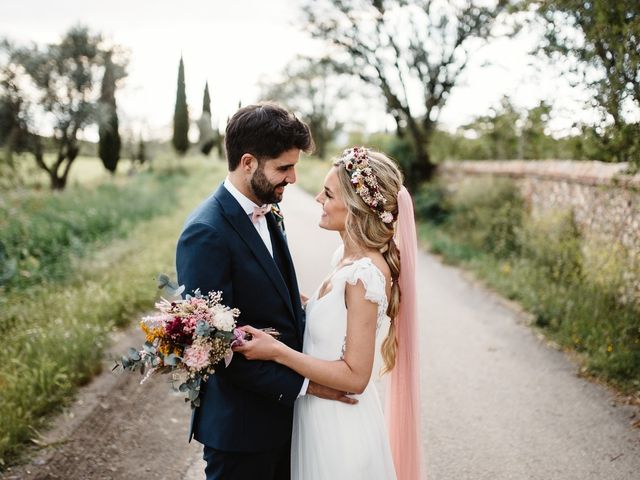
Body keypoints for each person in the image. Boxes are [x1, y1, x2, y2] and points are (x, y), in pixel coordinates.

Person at [176, 103, 357, 480]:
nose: (292, 178)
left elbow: (276, 298)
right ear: (247, 163)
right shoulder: (205, 234)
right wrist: (310, 385)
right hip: (242, 433)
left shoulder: (267, 208)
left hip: (287, 424)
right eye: (283, 168)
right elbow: (215, 351)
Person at [235, 146, 423, 479]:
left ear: (356, 207)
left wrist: (277, 352)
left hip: (341, 430)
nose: (318, 199)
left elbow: (355, 377)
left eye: (328, 193)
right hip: (318, 417)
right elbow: (335, 324)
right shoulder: (344, 259)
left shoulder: (365, 275)